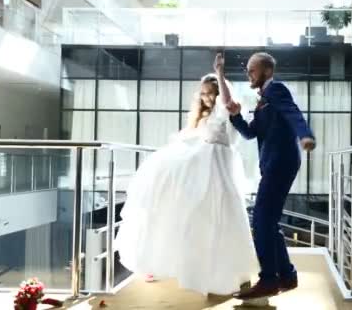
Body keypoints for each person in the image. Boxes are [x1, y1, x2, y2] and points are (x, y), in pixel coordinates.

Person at [114, 54, 257, 296]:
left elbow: (226, 100)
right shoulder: (203, 116)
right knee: (187, 215)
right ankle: (165, 262)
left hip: (219, 166)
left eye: (209, 92)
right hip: (202, 165)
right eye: (202, 93)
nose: (206, 97)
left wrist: (220, 73)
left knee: (222, 217)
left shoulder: (228, 108)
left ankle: (228, 275)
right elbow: (190, 135)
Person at [225, 52, 316, 300]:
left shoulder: (276, 90)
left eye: (252, 70)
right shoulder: (263, 98)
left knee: (261, 220)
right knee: (269, 221)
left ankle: (268, 280)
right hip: (273, 164)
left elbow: (293, 113)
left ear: (266, 71)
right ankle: (286, 275)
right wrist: (235, 115)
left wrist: (305, 135)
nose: (249, 74)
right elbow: (250, 133)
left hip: (281, 162)